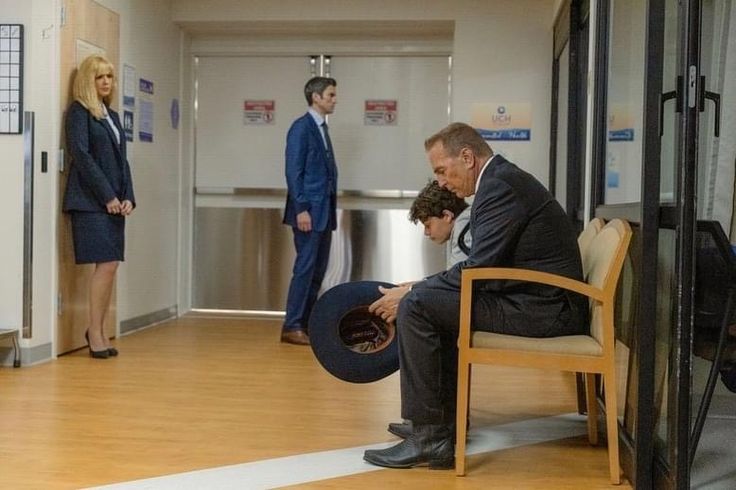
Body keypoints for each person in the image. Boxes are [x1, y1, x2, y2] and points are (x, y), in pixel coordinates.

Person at [363, 122, 587, 469]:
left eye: (441, 170)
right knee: (425, 301)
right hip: (533, 298)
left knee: (418, 307)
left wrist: (414, 291)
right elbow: (481, 269)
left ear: (467, 157)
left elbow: (479, 268)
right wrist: (418, 287)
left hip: (546, 309)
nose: (440, 182)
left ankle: (431, 436)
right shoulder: (499, 182)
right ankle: (439, 422)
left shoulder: (500, 187)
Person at [63, 54, 135, 359]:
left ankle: (100, 331)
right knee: (105, 265)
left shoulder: (113, 116)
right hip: (91, 202)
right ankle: (94, 332)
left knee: (111, 266)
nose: (106, 82)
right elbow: (82, 156)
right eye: (99, 77)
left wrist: (128, 195)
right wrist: (108, 196)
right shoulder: (79, 113)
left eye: (109, 76)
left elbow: (122, 162)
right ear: (88, 81)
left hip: (116, 204)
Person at [281, 77, 338, 345]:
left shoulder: (322, 129)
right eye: (330, 95)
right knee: (305, 269)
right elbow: (294, 172)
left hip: (324, 212)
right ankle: (291, 325)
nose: (334, 99)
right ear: (316, 97)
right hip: (309, 212)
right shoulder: (301, 128)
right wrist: (301, 208)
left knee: (318, 269)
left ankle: (304, 323)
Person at [409, 180, 472, 268]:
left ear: (447, 216)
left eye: (428, 225)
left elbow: (457, 278)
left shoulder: (463, 228)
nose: (426, 232)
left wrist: (422, 282)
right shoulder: (460, 227)